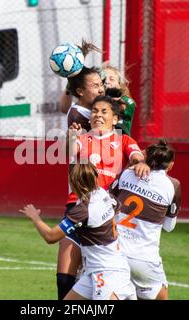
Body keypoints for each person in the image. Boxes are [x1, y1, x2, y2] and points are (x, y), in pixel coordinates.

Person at [56, 95, 150, 300]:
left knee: (107, 274)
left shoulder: (123, 140)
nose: (98, 114)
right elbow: (69, 153)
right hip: (77, 207)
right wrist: (71, 137)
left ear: (115, 119)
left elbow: (136, 155)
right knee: (64, 278)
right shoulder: (82, 138)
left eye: (104, 111)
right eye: (95, 111)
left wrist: (140, 162)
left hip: (107, 215)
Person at [20, 162, 136, 300]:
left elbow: (50, 236)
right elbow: (117, 208)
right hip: (103, 266)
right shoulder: (104, 195)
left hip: (106, 272)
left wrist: (35, 217)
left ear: (74, 183)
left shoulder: (83, 210)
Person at [110, 139, 181, 300]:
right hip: (145, 258)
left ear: (146, 157)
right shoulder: (173, 185)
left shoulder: (127, 173)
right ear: (170, 166)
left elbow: (109, 202)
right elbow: (169, 226)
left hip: (115, 251)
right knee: (161, 295)